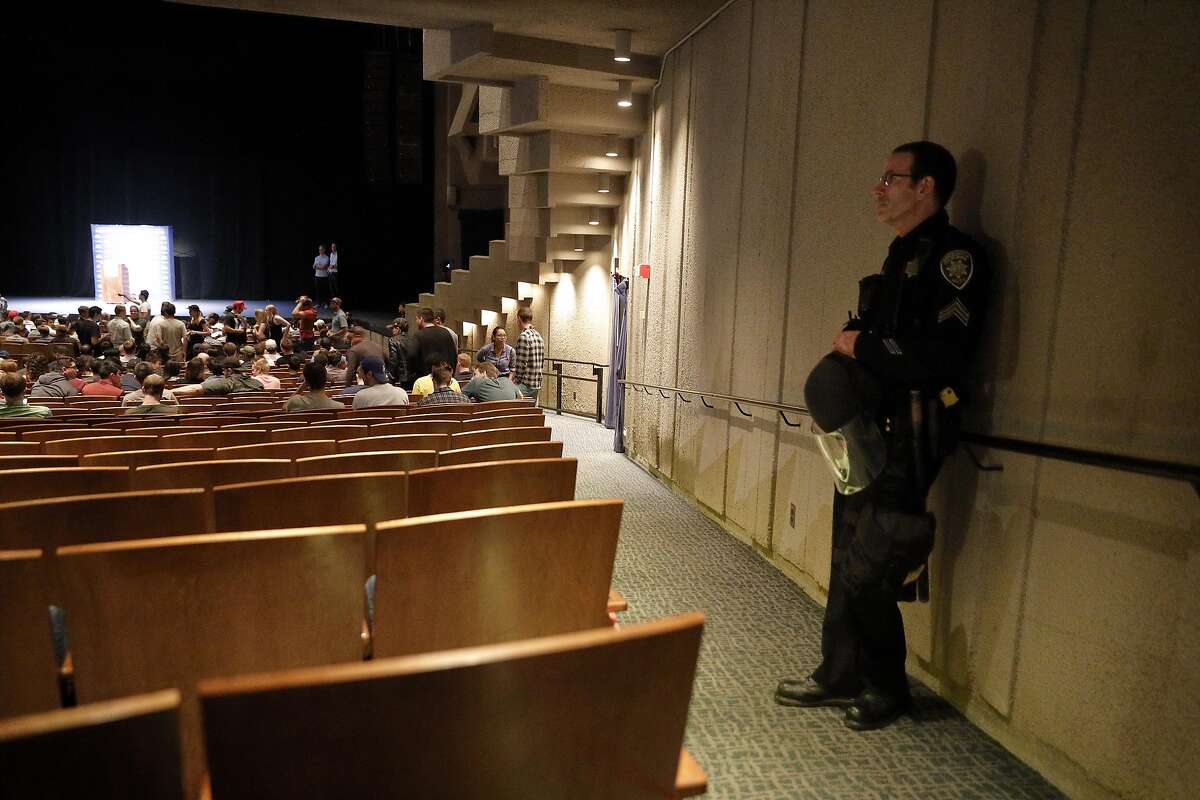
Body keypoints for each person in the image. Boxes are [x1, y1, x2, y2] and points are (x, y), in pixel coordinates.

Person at [774, 141, 990, 731]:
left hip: (912, 431)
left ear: (926, 187)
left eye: (892, 178)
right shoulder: (901, 256)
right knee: (847, 548)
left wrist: (862, 345)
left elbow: (943, 354)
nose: (880, 188)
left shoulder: (955, 259)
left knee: (873, 559)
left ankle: (887, 688)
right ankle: (840, 672)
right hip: (866, 430)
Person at [406, 307, 456, 384]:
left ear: (421, 319)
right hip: (446, 379)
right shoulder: (446, 333)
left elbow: (411, 355)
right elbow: (454, 354)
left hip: (425, 381)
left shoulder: (418, 335)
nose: (416, 322)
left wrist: (413, 376)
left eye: (417, 319)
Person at [512, 306, 545, 400]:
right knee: (530, 408)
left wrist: (515, 383)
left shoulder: (524, 336)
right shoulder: (538, 336)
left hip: (525, 384)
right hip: (536, 383)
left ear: (519, 319)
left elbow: (521, 364)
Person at [385, 317, 410, 389]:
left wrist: (390, 378)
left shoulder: (393, 340)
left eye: (393, 328)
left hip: (401, 378)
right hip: (414, 377)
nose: (392, 331)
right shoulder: (413, 338)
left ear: (398, 329)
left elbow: (394, 361)